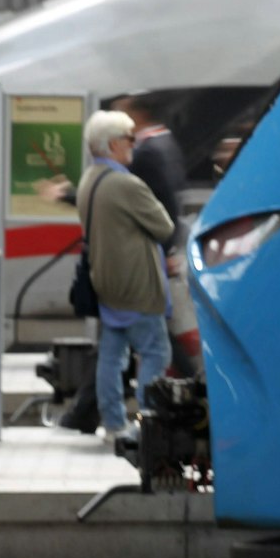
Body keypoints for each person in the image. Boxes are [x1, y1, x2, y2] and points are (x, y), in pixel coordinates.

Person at [79, 110, 174, 445]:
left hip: (107, 283)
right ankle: (149, 425)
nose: (134, 145)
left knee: (111, 354)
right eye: (129, 139)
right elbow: (164, 226)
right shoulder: (126, 184)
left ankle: (113, 424)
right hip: (137, 285)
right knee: (155, 353)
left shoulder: (89, 180)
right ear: (114, 144)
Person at [112, 93, 201, 377]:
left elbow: (163, 206)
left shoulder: (147, 152)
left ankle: (189, 381)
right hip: (159, 250)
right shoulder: (166, 142)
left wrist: (162, 250)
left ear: (137, 116)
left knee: (152, 330)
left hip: (150, 254)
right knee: (144, 328)